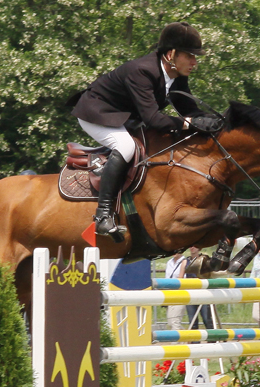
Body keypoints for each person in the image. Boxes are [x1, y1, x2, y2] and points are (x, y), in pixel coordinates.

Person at [68, 22, 224, 242]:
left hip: (125, 116)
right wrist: (191, 124)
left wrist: (213, 122)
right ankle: (103, 216)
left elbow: (188, 108)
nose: (194, 62)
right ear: (171, 54)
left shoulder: (175, 74)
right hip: (97, 113)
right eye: (190, 56)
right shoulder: (142, 71)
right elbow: (153, 119)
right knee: (126, 146)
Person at [184, 246, 216, 333]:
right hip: (191, 293)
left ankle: (212, 340)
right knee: (192, 320)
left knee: (207, 319)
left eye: (195, 246)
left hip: (203, 293)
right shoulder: (186, 261)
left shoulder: (204, 259)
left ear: (199, 248)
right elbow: (181, 277)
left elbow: (210, 275)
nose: (192, 248)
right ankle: (195, 343)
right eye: (191, 246)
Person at [165, 252, 187, 330]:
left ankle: (176, 342)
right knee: (170, 323)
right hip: (169, 294)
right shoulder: (169, 262)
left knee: (175, 322)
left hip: (180, 294)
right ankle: (187, 337)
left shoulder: (185, 262)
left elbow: (182, 279)